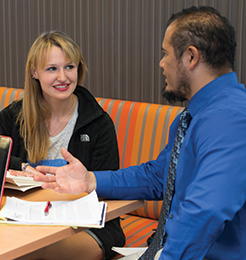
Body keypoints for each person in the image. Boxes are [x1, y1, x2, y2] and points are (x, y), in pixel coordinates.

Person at [30, 6, 246, 260]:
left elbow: (205, 213)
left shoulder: (230, 118)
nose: (161, 63)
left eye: (165, 54)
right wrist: (91, 181)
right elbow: (159, 177)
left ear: (190, 57)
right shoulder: (194, 116)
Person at [0, 31, 125, 260]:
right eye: (52, 69)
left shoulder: (98, 122)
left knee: (23, 251)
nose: (63, 77)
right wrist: (20, 166)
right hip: (27, 220)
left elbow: (109, 188)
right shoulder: (18, 114)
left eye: (69, 67)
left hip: (88, 227)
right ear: (34, 72)